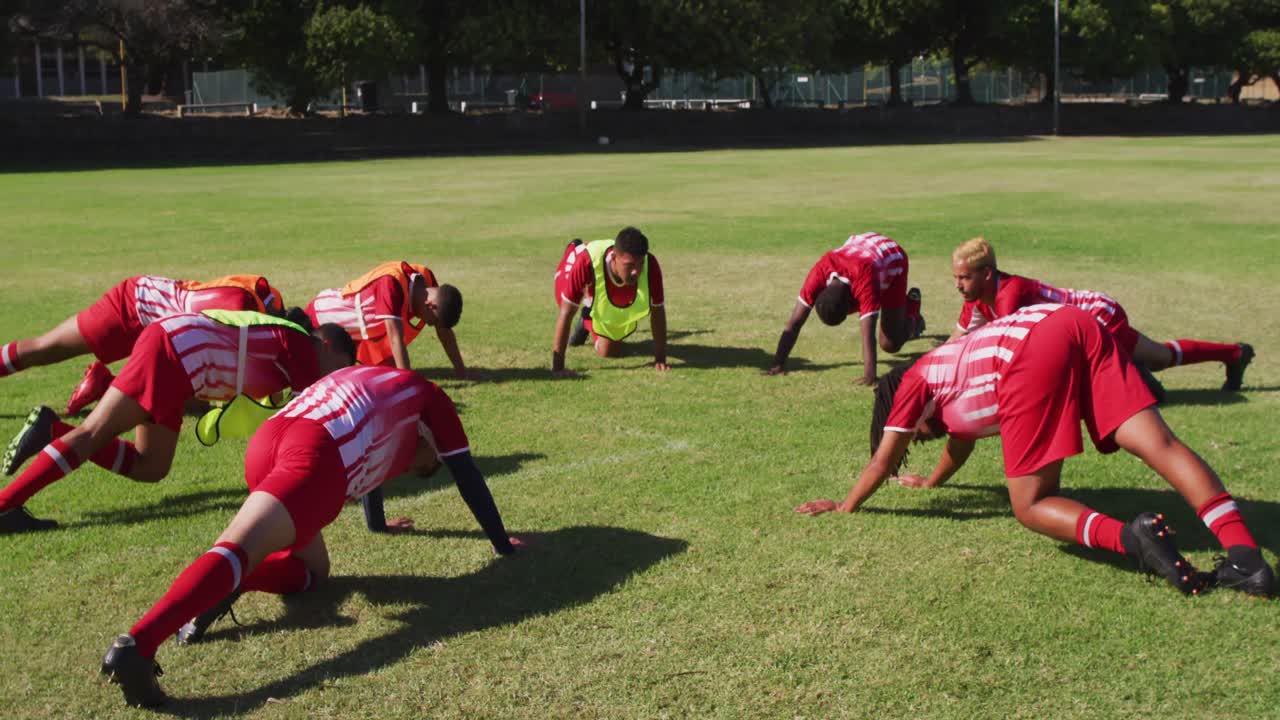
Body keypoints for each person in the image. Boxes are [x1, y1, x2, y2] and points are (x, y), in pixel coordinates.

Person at [99, 363, 523, 708]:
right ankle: (139, 644)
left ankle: (232, 585)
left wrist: (378, 524)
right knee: (237, 548)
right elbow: (466, 473)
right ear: (428, 440)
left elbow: (368, 440)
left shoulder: (379, 381)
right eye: (425, 465)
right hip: (316, 462)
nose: (416, 469)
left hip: (271, 440)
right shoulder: (434, 401)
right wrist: (502, 544)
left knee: (314, 571)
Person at [795, 304, 1274, 598]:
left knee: (1032, 505)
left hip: (1033, 348)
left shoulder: (913, 382)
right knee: (1160, 444)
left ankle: (1136, 542)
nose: (914, 440)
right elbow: (960, 444)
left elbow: (882, 459)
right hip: (1071, 323)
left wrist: (844, 506)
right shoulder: (949, 375)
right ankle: (1246, 562)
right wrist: (932, 481)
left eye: (911, 435)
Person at [0, 310, 355, 531]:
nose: (338, 377)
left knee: (151, 465)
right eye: (343, 366)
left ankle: (53, 430)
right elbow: (315, 426)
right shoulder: (305, 351)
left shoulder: (295, 346)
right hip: (176, 352)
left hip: (179, 356)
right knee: (94, 432)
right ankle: (5, 506)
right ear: (327, 346)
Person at [950, 237, 1253, 393]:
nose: (958, 285)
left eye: (964, 277)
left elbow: (1008, 354)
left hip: (1097, 315)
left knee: (1137, 374)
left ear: (987, 274)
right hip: (1080, 324)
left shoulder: (1009, 295)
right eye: (956, 277)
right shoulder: (976, 299)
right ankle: (1235, 354)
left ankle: (1136, 376)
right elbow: (956, 344)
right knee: (1160, 356)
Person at [0, 274, 286, 415]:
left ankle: (105, 385)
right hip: (130, 306)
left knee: (195, 407)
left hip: (157, 324)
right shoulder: (240, 312)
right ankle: (107, 386)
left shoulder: (266, 306)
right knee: (44, 348)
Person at [766, 232, 924, 384]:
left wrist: (870, 377)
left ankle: (912, 313)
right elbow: (795, 321)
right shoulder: (820, 270)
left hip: (893, 258)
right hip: (866, 250)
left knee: (890, 344)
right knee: (886, 329)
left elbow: (868, 335)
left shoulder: (865, 278)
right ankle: (904, 312)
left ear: (851, 303)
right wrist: (777, 364)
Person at [305, 261, 468, 377]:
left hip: (353, 335)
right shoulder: (392, 284)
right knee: (315, 372)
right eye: (431, 321)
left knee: (380, 375)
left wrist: (461, 370)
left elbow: (444, 332)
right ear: (430, 305)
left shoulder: (428, 283)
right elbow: (396, 340)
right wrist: (409, 385)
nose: (429, 325)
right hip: (322, 317)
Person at [551, 227, 668, 375]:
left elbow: (658, 310)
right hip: (576, 262)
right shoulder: (585, 261)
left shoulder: (650, 265)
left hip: (603, 279)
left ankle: (587, 318)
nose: (636, 272)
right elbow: (566, 314)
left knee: (608, 352)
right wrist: (558, 368)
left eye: (640, 264)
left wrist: (660, 359)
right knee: (565, 302)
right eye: (630, 265)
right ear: (614, 258)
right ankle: (574, 246)